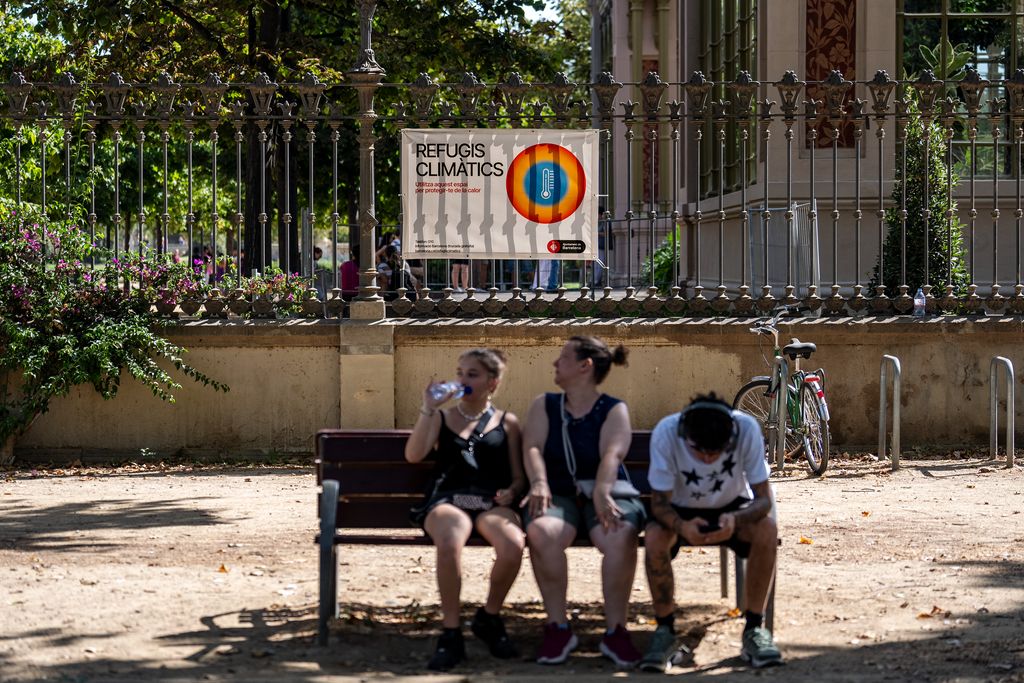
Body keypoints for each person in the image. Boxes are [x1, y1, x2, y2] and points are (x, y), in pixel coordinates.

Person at [521, 335, 645, 667]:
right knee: (542, 532)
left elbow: (612, 453)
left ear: (584, 366)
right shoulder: (544, 405)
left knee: (619, 533)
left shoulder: (613, 408)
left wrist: (603, 492)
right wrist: (539, 482)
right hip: (557, 491)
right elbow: (532, 446)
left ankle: (616, 630)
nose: (554, 364)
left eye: (562, 357)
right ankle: (558, 626)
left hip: (606, 490)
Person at [640, 393, 781, 672]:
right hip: (680, 509)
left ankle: (754, 628)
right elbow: (659, 503)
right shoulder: (667, 432)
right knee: (655, 537)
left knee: (767, 529)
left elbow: (764, 500)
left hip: (733, 508)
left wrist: (736, 520)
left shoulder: (746, 429)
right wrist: (681, 527)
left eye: (715, 452)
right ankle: (665, 630)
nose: (706, 459)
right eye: (699, 451)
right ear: (684, 434)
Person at [405, 348, 527, 672]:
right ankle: (451, 632)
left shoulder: (508, 423)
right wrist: (428, 408)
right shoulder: (442, 417)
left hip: (490, 504)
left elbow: (518, 477)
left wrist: (512, 492)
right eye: (460, 373)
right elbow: (414, 455)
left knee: (513, 545)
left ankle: (489, 616)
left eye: (471, 374)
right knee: (450, 539)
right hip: (449, 500)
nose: (462, 380)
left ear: (492, 382)